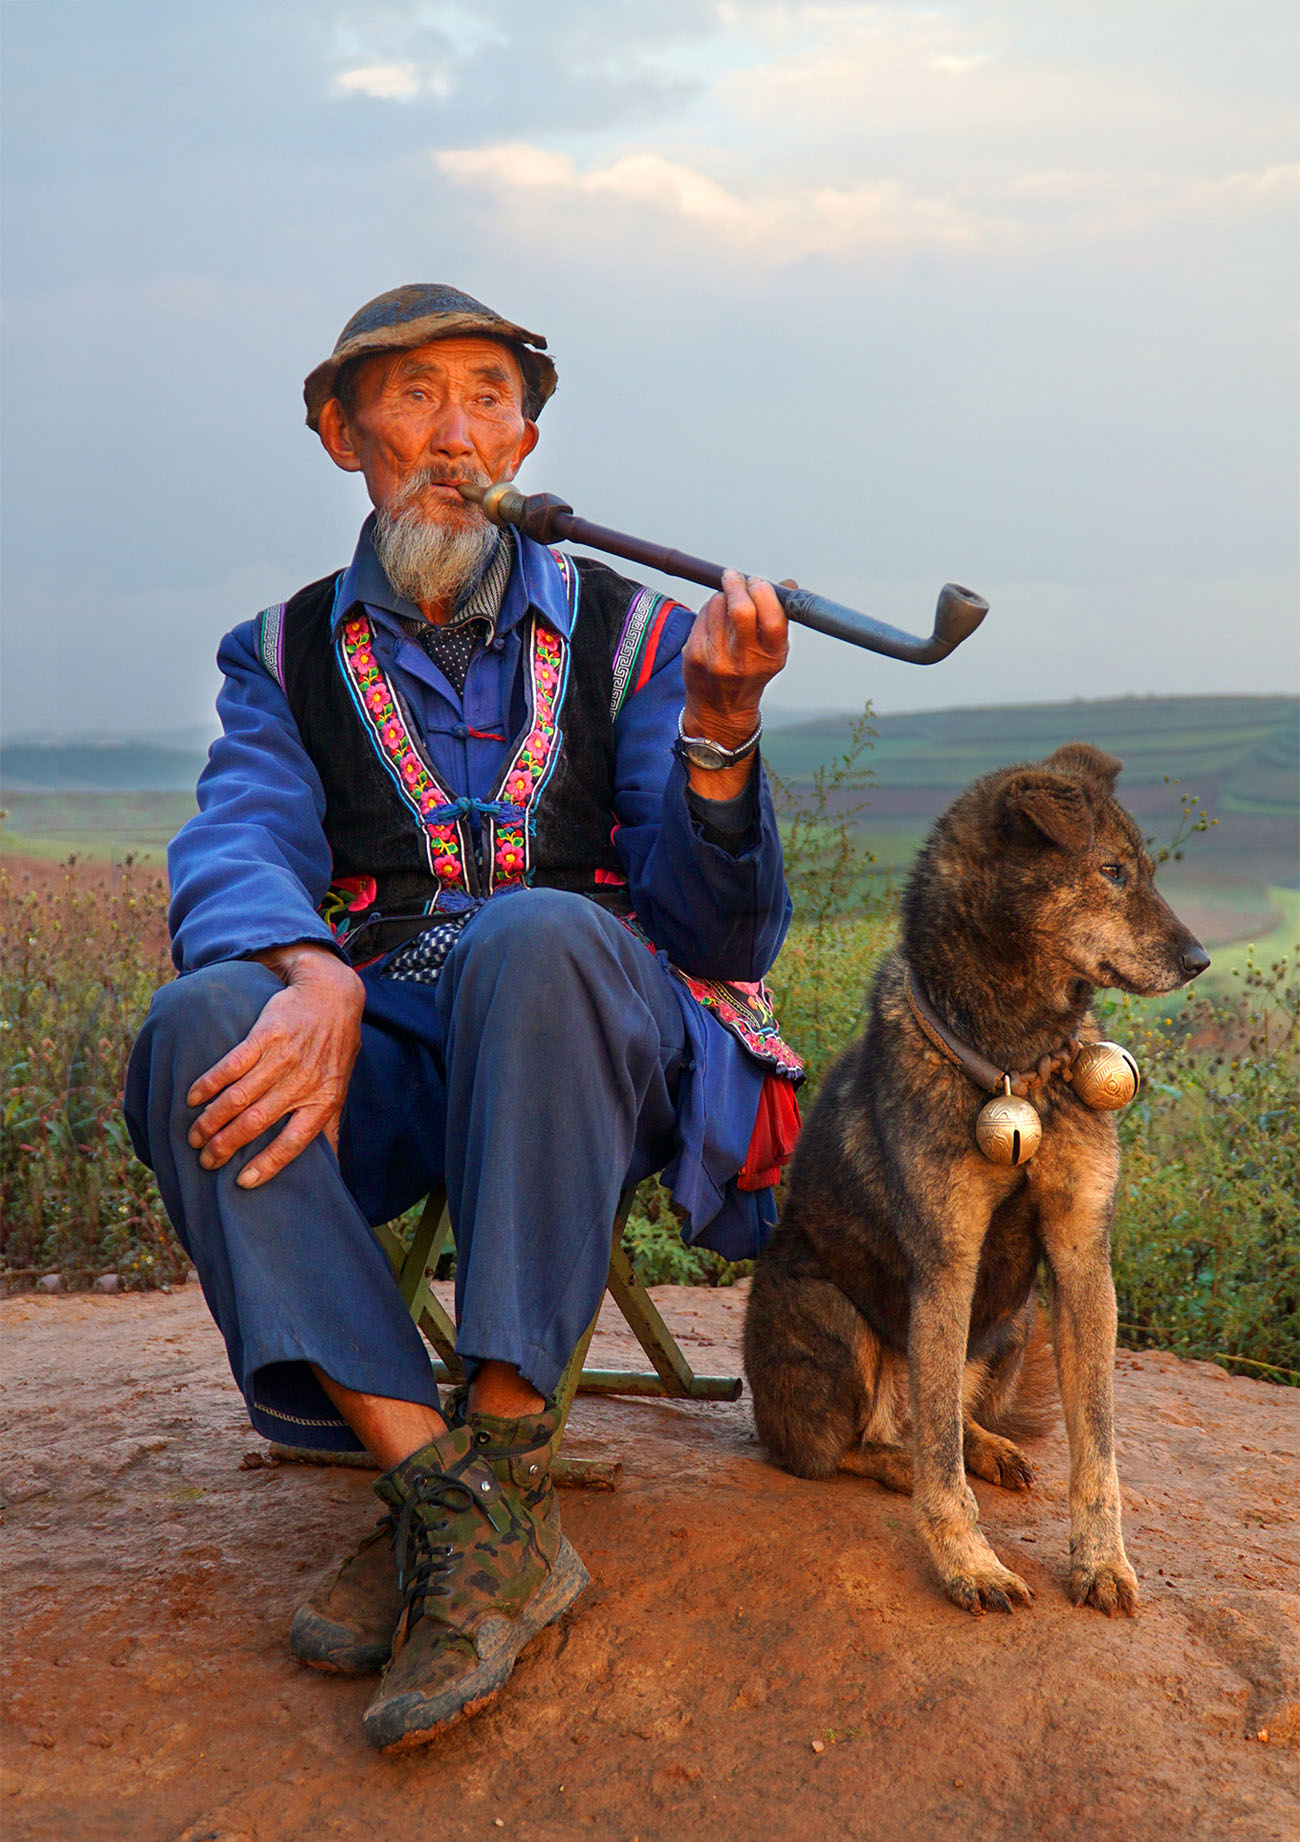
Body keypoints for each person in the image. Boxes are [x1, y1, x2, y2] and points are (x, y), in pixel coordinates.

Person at [125, 283, 801, 1754]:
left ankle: (491, 1443)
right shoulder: (284, 653)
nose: (454, 432)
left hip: (596, 1052)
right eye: (415, 395)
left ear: (529, 435)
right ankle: (456, 1495)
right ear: (338, 433)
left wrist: (722, 735)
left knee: (542, 929)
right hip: (399, 1056)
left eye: (486, 396)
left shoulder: (640, 640)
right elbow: (239, 837)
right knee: (198, 1023)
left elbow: (720, 932)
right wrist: (308, 970)